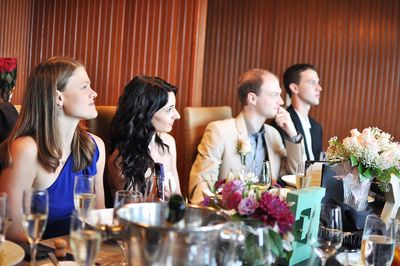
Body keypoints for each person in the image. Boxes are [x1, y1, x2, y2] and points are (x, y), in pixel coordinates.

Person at [0, 57, 105, 241]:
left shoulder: (95, 147)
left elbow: (99, 220)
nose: (94, 93)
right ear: (58, 97)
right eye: (84, 87)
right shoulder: (26, 150)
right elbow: (11, 232)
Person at [189, 68, 304, 203]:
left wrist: (292, 134)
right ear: (252, 98)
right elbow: (202, 182)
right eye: (274, 94)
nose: (281, 102)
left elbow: (294, 176)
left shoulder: (273, 134)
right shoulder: (219, 131)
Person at [107, 76, 182, 199]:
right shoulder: (120, 161)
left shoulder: (169, 143)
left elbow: (178, 198)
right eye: (169, 109)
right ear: (146, 113)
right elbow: (130, 212)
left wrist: (172, 202)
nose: (177, 115)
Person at [273, 64, 323, 161]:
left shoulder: (316, 127)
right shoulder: (282, 123)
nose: (319, 88)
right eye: (312, 82)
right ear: (295, 88)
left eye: (318, 82)